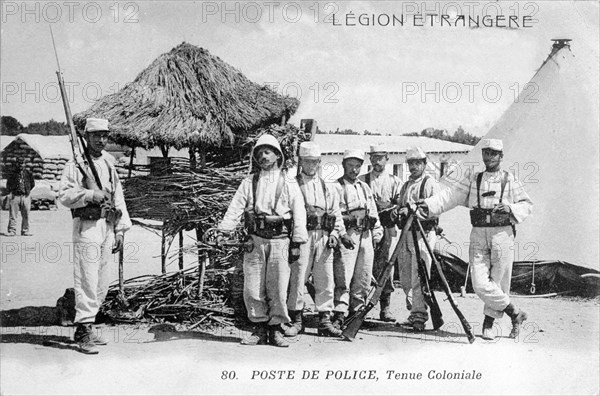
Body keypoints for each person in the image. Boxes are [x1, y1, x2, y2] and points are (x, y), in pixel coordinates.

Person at [419, 139, 533, 340]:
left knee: (498, 280)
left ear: (501, 156)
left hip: (502, 232)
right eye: (485, 153)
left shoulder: (510, 179)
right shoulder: (474, 179)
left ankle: (488, 325)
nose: (488, 157)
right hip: (479, 232)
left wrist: (511, 208)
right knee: (479, 283)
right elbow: (449, 196)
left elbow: (527, 204)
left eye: (493, 153)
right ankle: (515, 313)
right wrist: (426, 206)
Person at [218, 134, 307, 347]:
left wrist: (297, 241)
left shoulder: (289, 182)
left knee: (277, 286)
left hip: (281, 241)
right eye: (259, 153)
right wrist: (224, 230)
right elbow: (236, 207)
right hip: (256, 240)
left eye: (267, 152)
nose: (263, 157)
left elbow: (299, 212)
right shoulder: (250, 181)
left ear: (277, 155)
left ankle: (275, 329)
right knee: (253, 286)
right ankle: (258, 327)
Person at [59, 118, 131, 354]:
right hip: (87, 226)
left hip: (107, 226)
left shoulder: (109, 162)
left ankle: (88, 323)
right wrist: (89, 194)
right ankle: (82, 329)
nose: (101, 140)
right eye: (96, 135)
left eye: (104, 136)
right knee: (87, 278)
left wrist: (120, 229)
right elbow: (64, 195)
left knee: (103, 280)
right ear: (87, 137)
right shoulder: (76, 163)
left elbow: (118, 197)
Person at [285, 142, 347, 338]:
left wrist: (335, 235)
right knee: (298, 278)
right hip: (302, 236)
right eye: (307, 161)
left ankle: (324, 320)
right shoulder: (292, 184)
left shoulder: (327, 185)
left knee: (325, 278)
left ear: (320, 163)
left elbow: (335, 212)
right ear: (300, 162)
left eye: (315, 162)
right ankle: (296, 320)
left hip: (323, 236)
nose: (311, 165)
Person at [331, 149, 383, 329]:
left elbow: (373, 211)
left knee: (364, 276)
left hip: (366, 236)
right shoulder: (337, 187)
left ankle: (357, 313)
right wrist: (341, 233)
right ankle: (339, 312)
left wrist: (377, 233)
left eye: (357, 166)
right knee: (344, 275)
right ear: (344, 165)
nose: (354, 170)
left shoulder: (364, 187)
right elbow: (334, 214)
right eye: (350, 166)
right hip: (348, 235)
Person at [394, 147, 440, 332]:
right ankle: (414, 312)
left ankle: (420, 317)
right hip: (406, 234)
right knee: (405, 278)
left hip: (423, 235)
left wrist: (412, 210)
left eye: (417, 163)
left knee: (419, 277)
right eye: (411, 163)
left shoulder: (430, 183)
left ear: (424, 163)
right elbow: (400, 207)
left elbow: (435, 208)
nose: (414, 167)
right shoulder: (405, 185)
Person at [359, 144, 405, 322]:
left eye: (380, 157)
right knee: (364, 265)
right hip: (367, 228)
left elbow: (400, 204)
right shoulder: (362, 180)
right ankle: (359, 307)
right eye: (373, 157)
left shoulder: (395, 181)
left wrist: (391, 209)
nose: (377, 161)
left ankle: (385, 308)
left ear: (387, 158)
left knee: (386, 266)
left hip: (388, 228)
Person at [6, 158, 35, 236]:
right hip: (15, 196)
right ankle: (12, 231)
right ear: (16, 164)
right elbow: (8, 184)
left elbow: (32, 183)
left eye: (22, 163)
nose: (21, 165)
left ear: (25, 164)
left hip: (25, 196)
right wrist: (11, 192)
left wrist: (27, 191)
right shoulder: (12, 173)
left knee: (26, 214)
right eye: (19, 163)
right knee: (13, 214)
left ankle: (25, 230)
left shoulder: (28, 173)